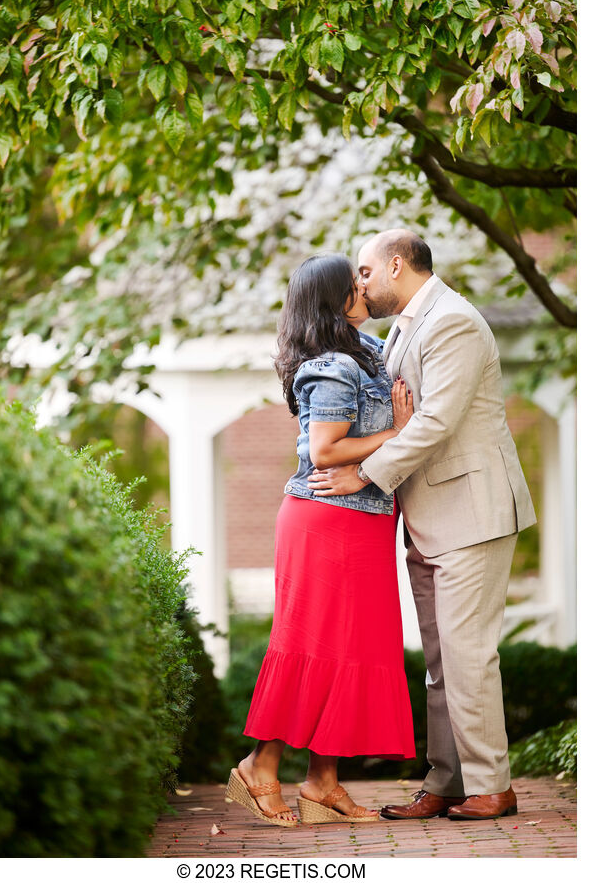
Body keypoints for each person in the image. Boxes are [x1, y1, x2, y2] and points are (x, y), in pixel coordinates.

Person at [308, 229, 537, 821]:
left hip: (472, 513)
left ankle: (493, 785)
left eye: (363, 271)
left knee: (468, 655)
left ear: (396, 264)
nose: (357, 282)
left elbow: (434, 421)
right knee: (441, 661)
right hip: (428, 517)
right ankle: (448, 781)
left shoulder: (453, 322)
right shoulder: (401, 329)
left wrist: (364, 474)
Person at [226, 255, 416, 828]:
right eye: (353, 280)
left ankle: (323, 782)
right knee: (311, 646)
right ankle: (260, 766)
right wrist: (398, 434)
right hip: (326, 519)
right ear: (332, 298)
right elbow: (326, 450)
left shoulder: (366, 350)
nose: (365, 284)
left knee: (350, 650)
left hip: (361, 519)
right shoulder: (332, 364)